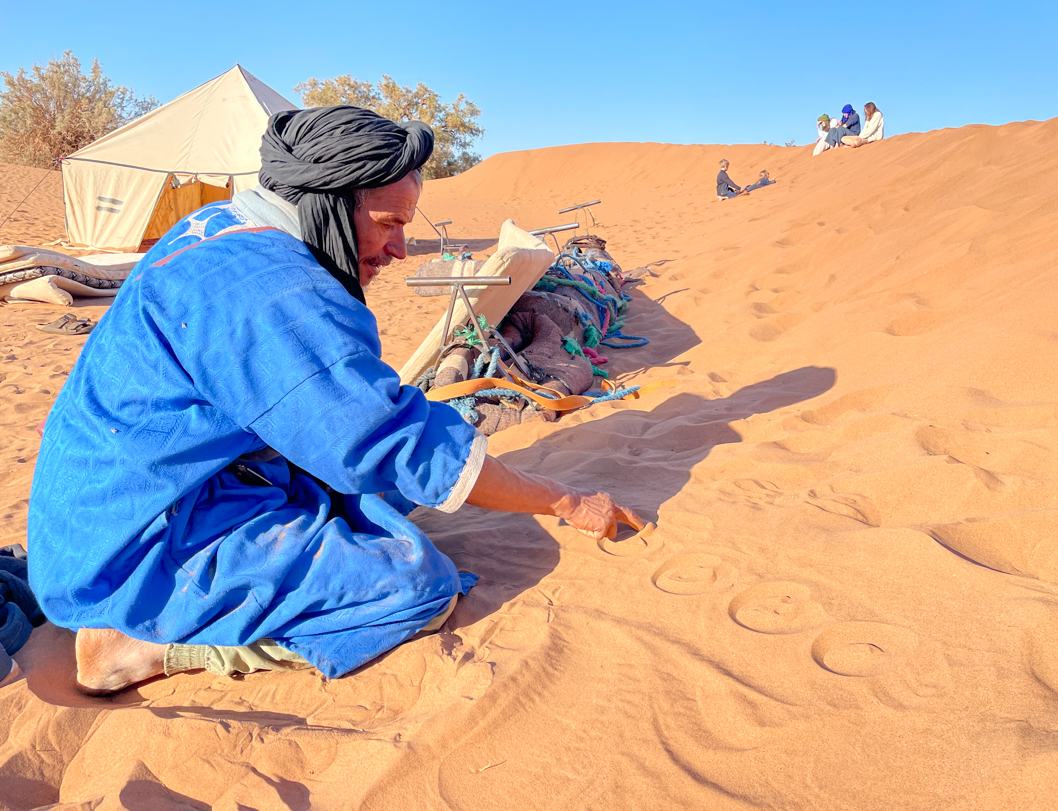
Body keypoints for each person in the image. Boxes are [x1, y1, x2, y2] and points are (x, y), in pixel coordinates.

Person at [27, 106, 644, 695]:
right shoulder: (272, 291)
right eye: (391, 224)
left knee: (408, 472)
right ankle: (137, 646)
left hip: (167, 486)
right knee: (414, 587)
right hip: (130, 546)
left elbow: (359, 422)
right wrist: (565, 500)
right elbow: (384, 436)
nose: (401, 251)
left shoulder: (228, 230)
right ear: (328, 201)